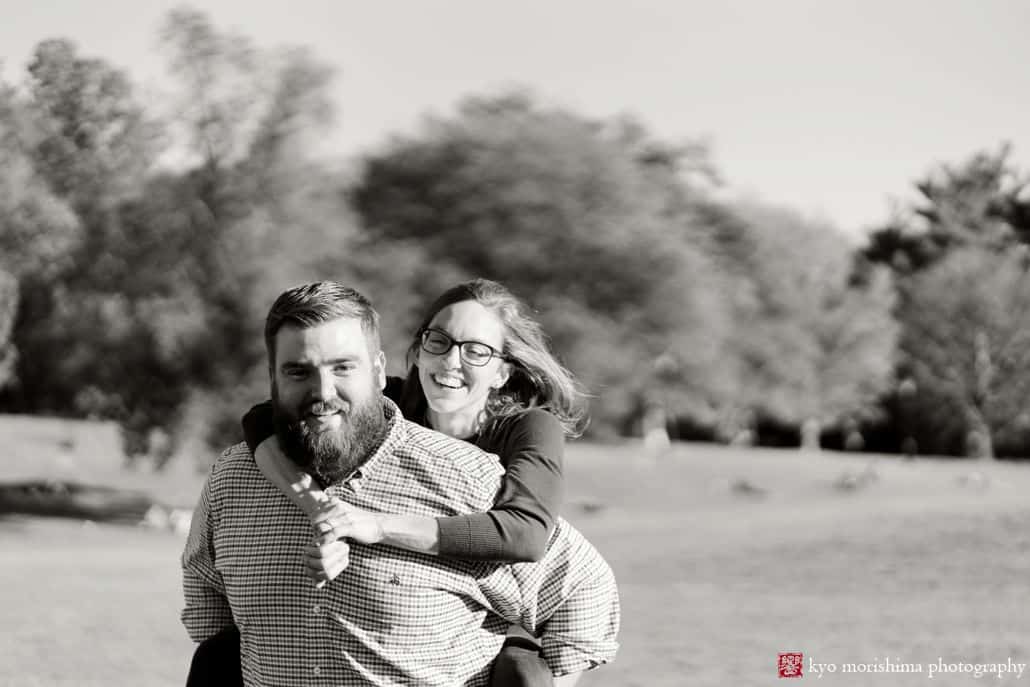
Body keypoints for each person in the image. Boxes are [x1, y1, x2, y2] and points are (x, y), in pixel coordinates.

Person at [181, 281, 619, 686]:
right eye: (440, 341)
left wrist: (376, 526)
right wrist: (319, 509)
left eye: (477, 351)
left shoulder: (514, 441)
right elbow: (260, 419)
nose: (451, 361)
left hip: (502, 613)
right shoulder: (243, 473)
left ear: (503, 372)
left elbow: (528, 536)